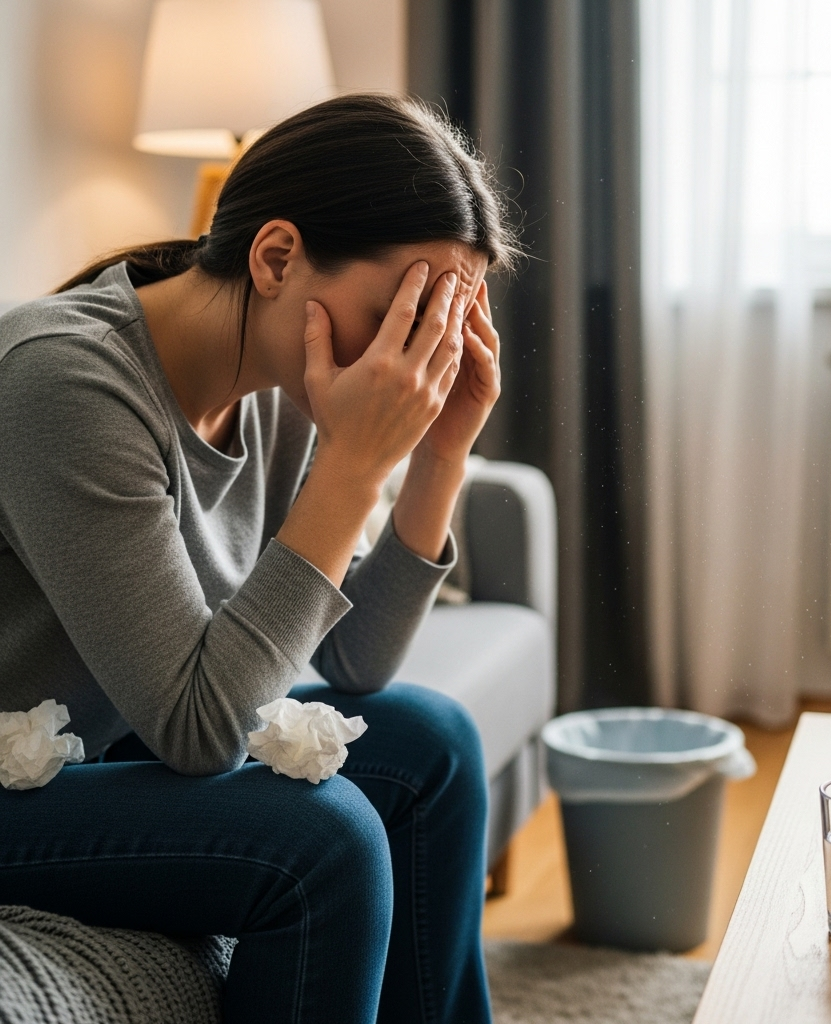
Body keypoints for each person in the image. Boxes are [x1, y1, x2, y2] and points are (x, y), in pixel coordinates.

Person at [0, 94, 518, 1024]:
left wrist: (440, 452)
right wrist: (358, 465)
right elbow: (197, 731)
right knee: (325, 839)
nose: (417, 360)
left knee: (432, 746)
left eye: (441, 322)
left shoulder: (278, 387)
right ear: (276, 258)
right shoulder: (62, 380)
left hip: (107, 755)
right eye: (400, 315)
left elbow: (356, 665)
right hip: (16, 781)